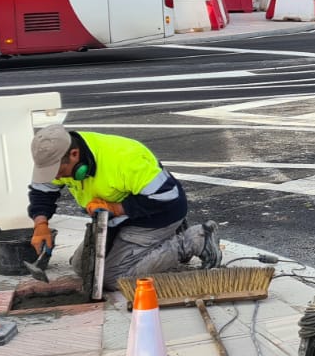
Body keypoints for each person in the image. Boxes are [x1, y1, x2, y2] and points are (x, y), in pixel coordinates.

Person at [28, 125, 220, 291]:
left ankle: (193, 240)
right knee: (82, 267)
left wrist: (114, 208)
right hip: (114, 220)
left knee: (113, 278)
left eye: (60, 172)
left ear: (74, 154)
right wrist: (41, 223)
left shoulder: (124, 158)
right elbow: (42, 191)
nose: (58, 178)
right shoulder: (57, 157)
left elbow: (167, 196)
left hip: (156, 215)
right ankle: (168, 239)